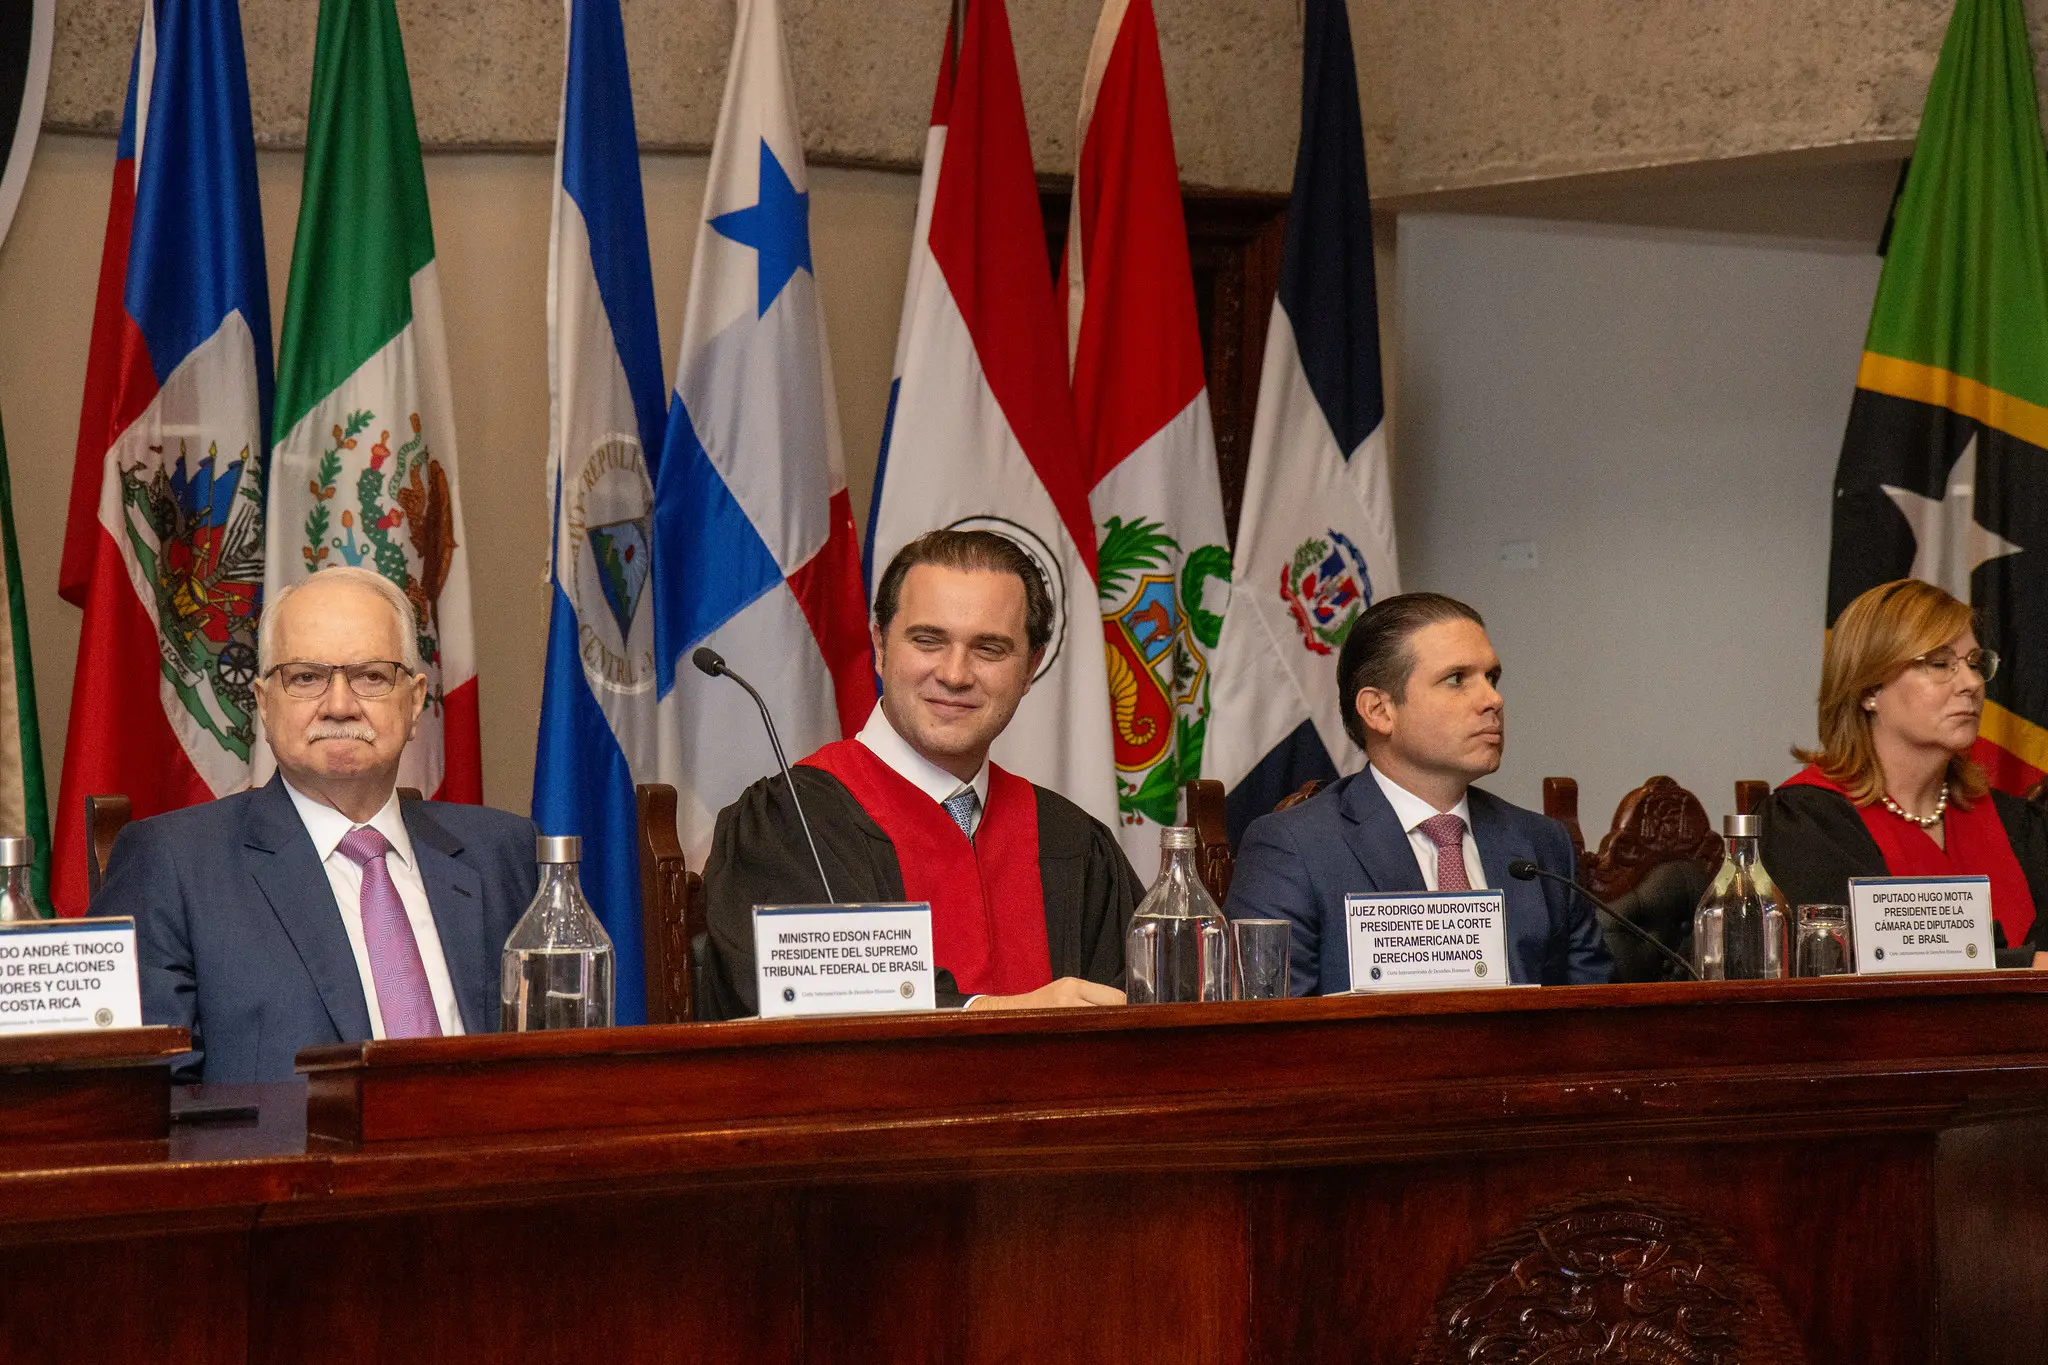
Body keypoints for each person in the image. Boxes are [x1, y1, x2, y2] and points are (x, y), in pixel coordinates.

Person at [96, 568, 538, 1083]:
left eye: (371, 676)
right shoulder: (171, 863)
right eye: (306, 677)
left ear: (415, 701)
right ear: (264, 703)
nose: (339, 706)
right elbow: (143, 1102)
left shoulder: (504, 851)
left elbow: (562, 1063)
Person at [700, 530, 1141, 1018]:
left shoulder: (1071, 841)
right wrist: (1001, 1014)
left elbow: (1142, 1018)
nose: (954, 674)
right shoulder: (791, 824)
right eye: (928, 640)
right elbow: (806, 1021)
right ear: (880, 646)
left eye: (989, 649)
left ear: (1031, 668)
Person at [1224, 592, 1613, 994]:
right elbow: (1269, 1036)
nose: (1493, 700)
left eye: (1491, 678)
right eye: (1457, 679)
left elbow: (1596, 1019)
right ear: (1379, 711)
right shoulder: (1293, 849)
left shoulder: (1542, 845)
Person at [1759, 579, 2048, 964]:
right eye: (1940, 664)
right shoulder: (1808, 823)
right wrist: (2027, 965)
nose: (1971, 684)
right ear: (1868, 690)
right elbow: (1860, 970)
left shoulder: (2015, 824)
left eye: (1976, 664)